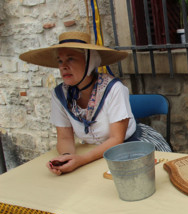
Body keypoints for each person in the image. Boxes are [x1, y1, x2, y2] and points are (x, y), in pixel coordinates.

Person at [20, 31, 171, 176]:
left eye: (70, 59)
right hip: (90, 152)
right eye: (60, 61)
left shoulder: (114, 89)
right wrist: (66, 157)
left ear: (89, 62)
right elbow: (65, 138)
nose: (62, 66)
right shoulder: (60, 95)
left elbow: (116, 139)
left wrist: (81, 160)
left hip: (129, 147)